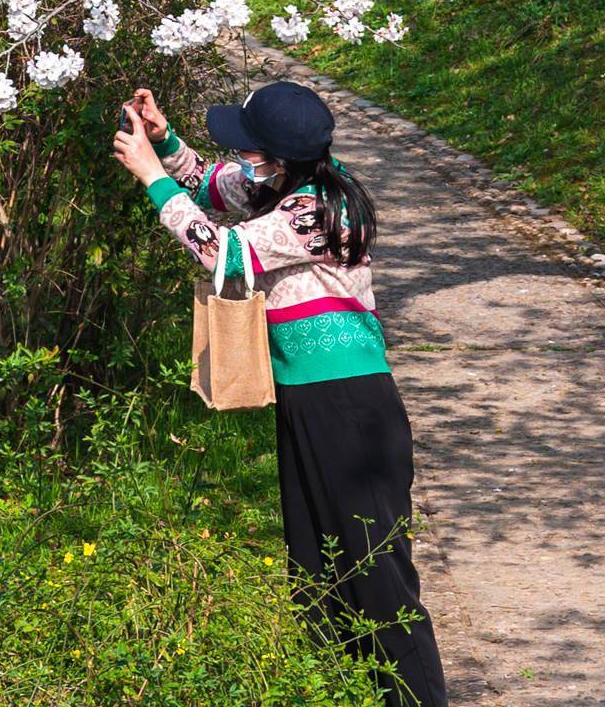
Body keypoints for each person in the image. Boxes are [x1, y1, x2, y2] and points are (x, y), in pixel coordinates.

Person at [113, 78, 447, 707]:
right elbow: (216, 184)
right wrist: (169, 143)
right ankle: (347, 693)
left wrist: (153, 178)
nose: (244, 159)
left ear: (277, 155)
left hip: (348, 404)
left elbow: (224, 253)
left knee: (377, 574)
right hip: (307, 398)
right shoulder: (290, 179)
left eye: (251, 148)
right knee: (317, 570)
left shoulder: (316, 208)